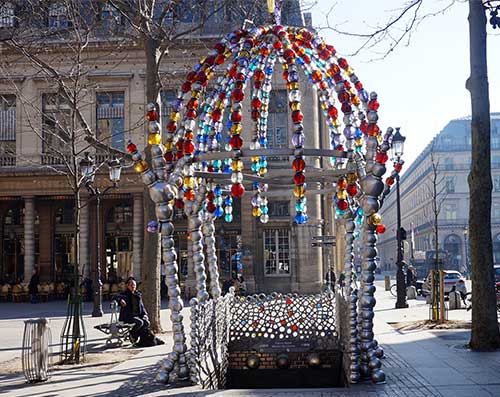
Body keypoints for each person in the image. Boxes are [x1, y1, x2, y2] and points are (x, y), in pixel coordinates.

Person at [113, 277, 163, 347]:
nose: (133, 286)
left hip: (137, 315)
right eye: (131, 285)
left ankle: (145, 339)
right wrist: (120, 300)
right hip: (127, 316)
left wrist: (145, 315)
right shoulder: (124, 294)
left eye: (134, 285)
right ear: (127, 286)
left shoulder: (137, 295)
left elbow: (142, 307)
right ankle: (133, 335)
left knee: (146, 322)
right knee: (140, 322)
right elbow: (115, 297)